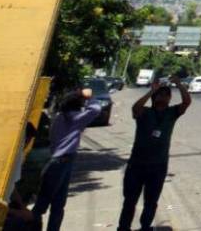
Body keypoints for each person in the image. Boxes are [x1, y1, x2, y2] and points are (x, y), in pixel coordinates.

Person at [118, 78, 191, 231]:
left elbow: (186, 102)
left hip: (158, 166)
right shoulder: (145, 112)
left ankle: (146, 226)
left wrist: (178, 84)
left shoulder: (172, 113)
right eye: (160, 94)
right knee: (130, 200)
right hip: (137, 164)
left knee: (151, 201)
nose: (163, 97)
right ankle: (123, 227)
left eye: (167, 95)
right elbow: (135, 107)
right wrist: (152, 90)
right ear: (154, 97)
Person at [34, 88, 103, 231]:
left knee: (57, 203)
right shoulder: (75, 118)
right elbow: (96, 109)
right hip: (61, 162)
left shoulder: (60, 116)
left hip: (60, 161)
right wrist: (90, 96)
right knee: (46, 203)